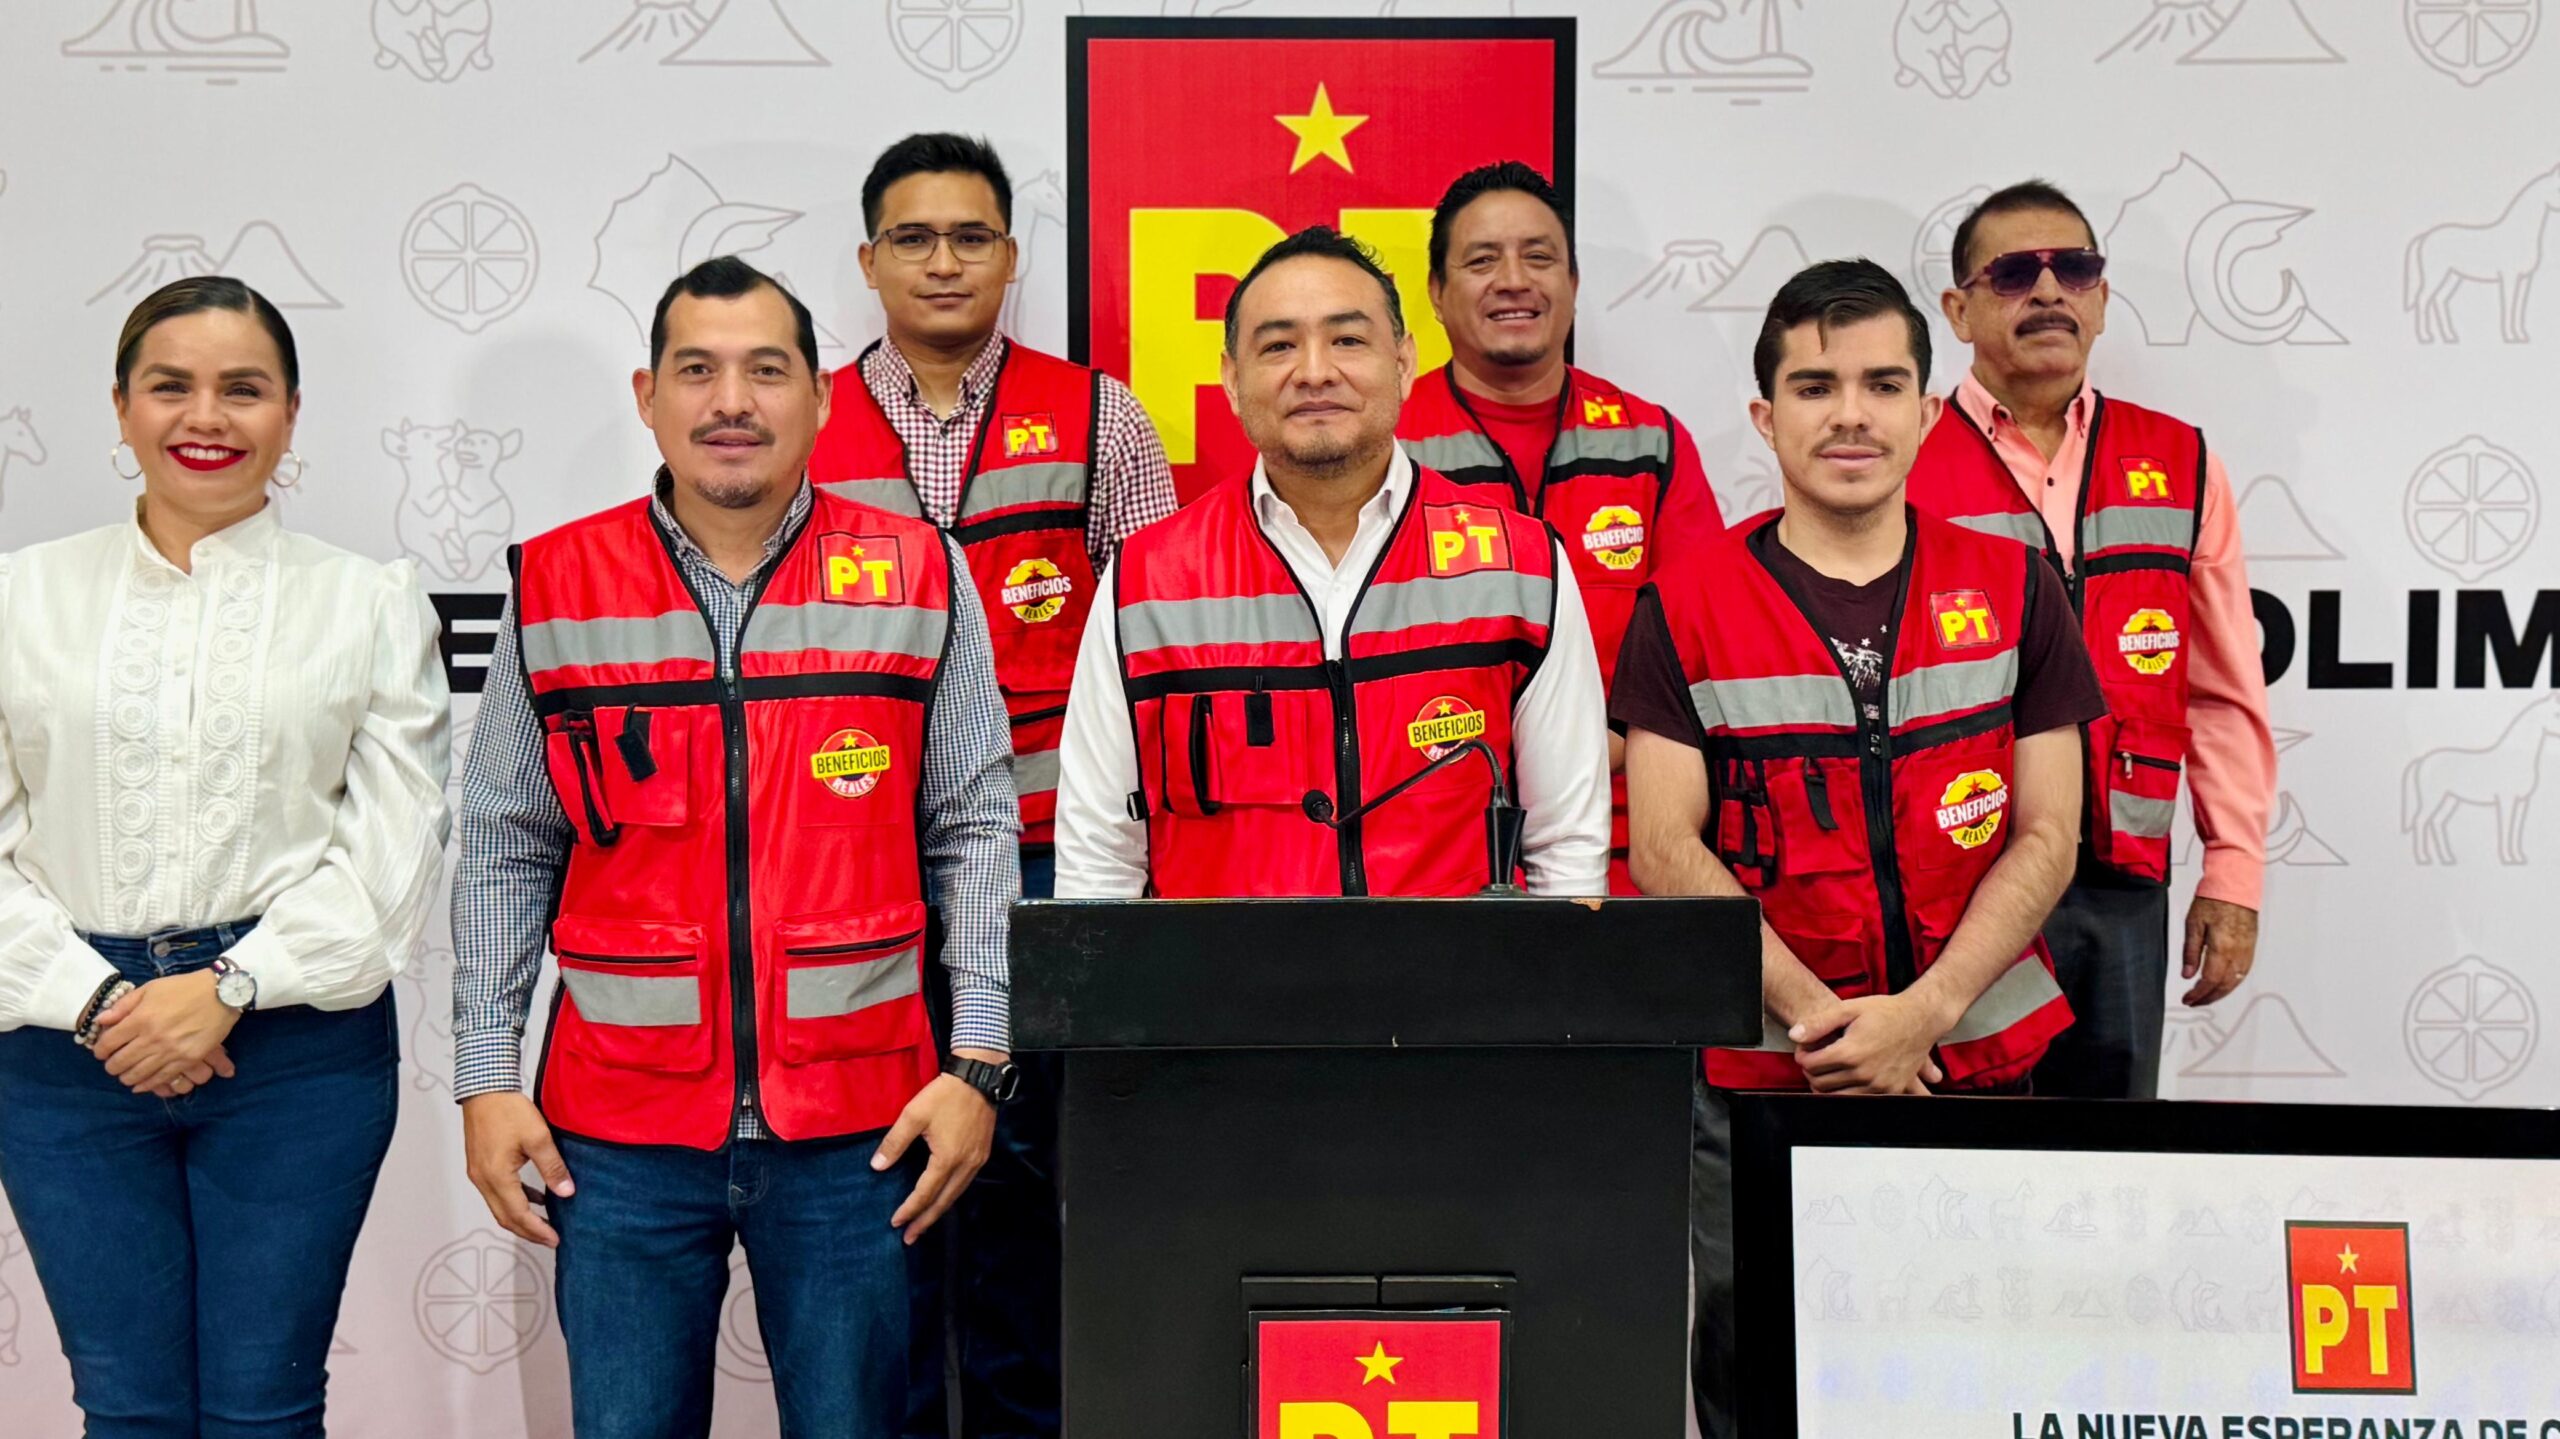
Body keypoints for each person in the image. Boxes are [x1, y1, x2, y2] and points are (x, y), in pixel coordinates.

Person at [450, 256, 1022, 1439]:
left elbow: (973, 824)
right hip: (617, 1135)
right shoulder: (558, 581)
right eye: (697, 370)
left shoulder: (920, 572)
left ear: (820, 395)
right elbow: (508, 839)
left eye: (766, 370)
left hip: (860, 1129)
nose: (731, 402)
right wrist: (487, 1074)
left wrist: (977, 1062)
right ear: (647, 395)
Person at [1612, 259, 2105, 1437]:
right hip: (1764, 1084)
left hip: (1975, 1062)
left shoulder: (2016, 585)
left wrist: (1924, 1012)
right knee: (1757, 1373)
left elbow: (2049, 830)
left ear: (1927, 411)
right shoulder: (1681, 603)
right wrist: (1831, 1028)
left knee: (1982, 1368)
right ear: (1763, 416)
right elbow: (1665, 847)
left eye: (1883, 385)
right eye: (1815, 385)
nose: (1850, 415)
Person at [0, 276, 451, 1436]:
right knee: (129, 1407)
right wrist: (102, 1000)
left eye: (243, 389)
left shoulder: (368, 600)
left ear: (292, 411)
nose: (206, 417)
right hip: (62, 1048)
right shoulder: (20, 594)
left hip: (296, 1050)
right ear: (120, 405)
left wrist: (229, 986)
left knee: (266, 1406)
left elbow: (395, 847)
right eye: (172, 386)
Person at [806, 133, 1175, 1439]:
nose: (944, 261)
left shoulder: (1101, 418)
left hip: (1043, 860)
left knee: (1028, 1179)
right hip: (853, 867)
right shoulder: (803, 421)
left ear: (1012, 257)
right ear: (869, 262)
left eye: (971, 237)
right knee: (874, 1176)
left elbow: (1159, 643)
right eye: (913, 238)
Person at [1052, 226, 1611, 900]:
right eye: (1278, 346)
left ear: (1403, 362)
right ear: (1231, 379)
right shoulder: (1146, 580)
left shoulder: (1521, 566)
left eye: (1347, 339)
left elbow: (1567, 848)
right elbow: (1098, 858)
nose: (1315, 371)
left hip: (1459, 970)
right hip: (1215, 972)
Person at [1910, 179, 2276, 1099]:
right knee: (1952, 1153)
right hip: (1956, 882)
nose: (2048, 290)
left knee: (2111, 1156)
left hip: (2121, 890)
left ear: (2103, 299)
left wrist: (2233, 872)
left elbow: (2223, 691)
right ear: (1957, 310)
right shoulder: (1900, 457)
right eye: (2013, 273)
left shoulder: (2184, 463)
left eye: (2073, 268)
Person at [1397, 161, 1725, 893]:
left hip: (1635, 853)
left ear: (1573, 284)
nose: (1514, 280)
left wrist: (1587, 752)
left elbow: (1704, 656)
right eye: (1482, 260)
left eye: (1539, 257)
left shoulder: (1650, 443)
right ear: (1437, 293)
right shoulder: (1388, 450)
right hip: (1436, 855)